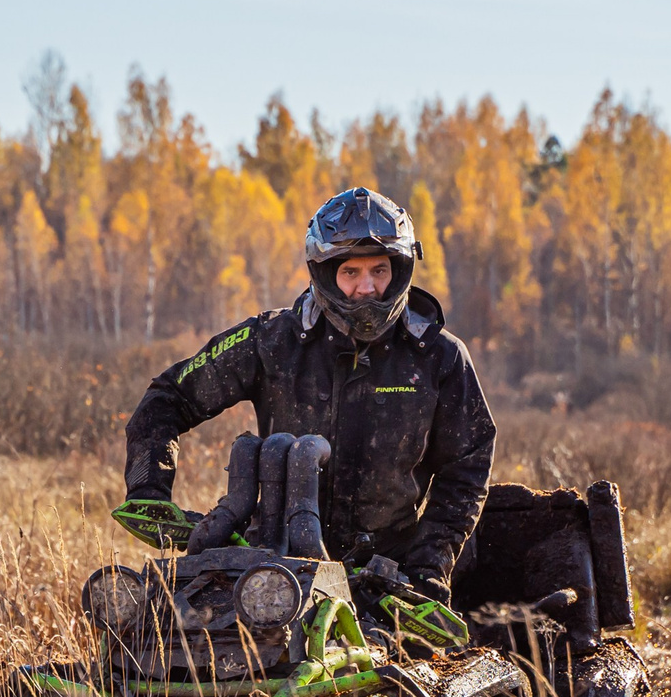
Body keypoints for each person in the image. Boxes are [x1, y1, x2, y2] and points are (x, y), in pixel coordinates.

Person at [121, 186, 495, 598]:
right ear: (324, 272)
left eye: (379, 271)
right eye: (350, 272)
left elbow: (468, 468)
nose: (367, 288)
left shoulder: (440, 356)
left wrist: (428, 568)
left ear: (400, 270)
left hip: (389, 575)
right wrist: (148, 490)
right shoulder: (272, 339)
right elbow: (168, 397)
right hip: (271, 566)